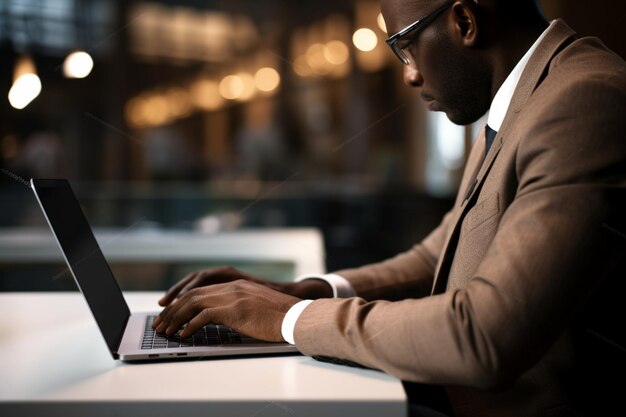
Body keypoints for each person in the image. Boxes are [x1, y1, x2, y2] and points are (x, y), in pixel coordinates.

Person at [153, 0, 626, 415]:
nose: (410, 74)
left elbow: (484, 335)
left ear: (464, 20)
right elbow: (434, 257)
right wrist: (304, 290)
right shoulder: (524, 99)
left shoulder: (583, 100)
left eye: (406, 44)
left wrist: (286, 319)